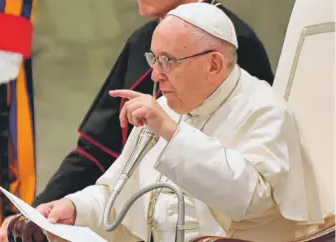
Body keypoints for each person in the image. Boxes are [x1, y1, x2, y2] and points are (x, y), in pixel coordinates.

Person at [36, 3, 324, 242]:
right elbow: (115, 194)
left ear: (213, 64)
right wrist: (74, 208)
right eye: (154, 60)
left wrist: (172, 133)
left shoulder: (265, 111)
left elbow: (249, 200)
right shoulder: (165, 108)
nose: (155, 75)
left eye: (168, 61)